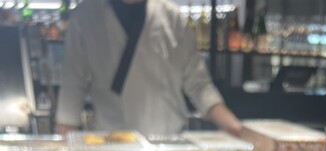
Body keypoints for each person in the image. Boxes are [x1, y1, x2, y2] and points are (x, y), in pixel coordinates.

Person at [56, 0, 242, 137]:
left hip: (167, 141)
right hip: (111, 143)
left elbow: (199, 84)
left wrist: (234, 127)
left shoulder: (172, 17)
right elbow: (72, 84)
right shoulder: (86, 16)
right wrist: (64, 146)